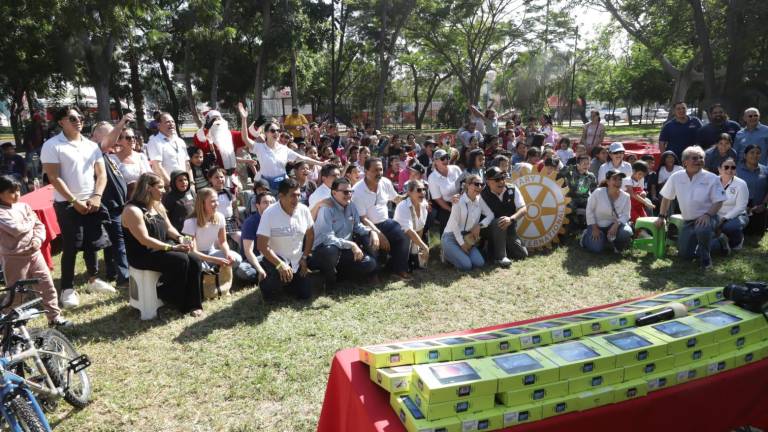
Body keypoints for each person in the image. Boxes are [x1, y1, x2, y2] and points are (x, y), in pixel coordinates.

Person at [41, 106, 114, 309]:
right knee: (71, 246)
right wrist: (74, 201)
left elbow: (101, 174)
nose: (78, 121)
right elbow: (54, 178)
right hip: (67, 204)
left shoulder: (91, 146)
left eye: (80, 117)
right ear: (61, 122)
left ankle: (93, 279)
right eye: (72, 118)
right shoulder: (52, 145)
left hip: (92, 201)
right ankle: (67, 288)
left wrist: (97, 196)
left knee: (93, 243)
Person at [122, 173, 204, 317]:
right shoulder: (132, 210)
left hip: (162, 247)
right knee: (181, 260)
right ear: (148, 188)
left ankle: (194, 304)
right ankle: (169, 295)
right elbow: (144, 240)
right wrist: (172, 248)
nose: (164, 191)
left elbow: (169, 228)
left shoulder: (157, 205)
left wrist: (181, 239)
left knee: (195, 260)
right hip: (143, 254)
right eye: (160, 187)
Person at [0, 175, 69, 327]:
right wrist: (31, 221)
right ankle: (6, 322)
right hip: (15, 258)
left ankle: (54, 318)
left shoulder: (23, 206)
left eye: (18, 190)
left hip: (34, 253)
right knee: (17, 294)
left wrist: (37, 240)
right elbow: (15, 229)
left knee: (47, 285)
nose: (17, 194)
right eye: (11, 192)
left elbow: (40, 225)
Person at [655, 146, 726, 269]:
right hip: (688, 221)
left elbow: (719, 201)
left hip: (708, 217)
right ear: (685, 162)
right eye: (695, 158)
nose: (699, 160)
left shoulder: (712, 178)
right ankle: (718, 239)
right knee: (685, 255)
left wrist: (707, 215)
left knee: (702, 229)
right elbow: (666, 198)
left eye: (701, 158)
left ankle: (706, 260)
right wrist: (661, 216)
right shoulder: (676, 177)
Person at [310, 178, 377, 287]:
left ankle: (342, 276)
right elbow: (327, 238)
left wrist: (371, 231)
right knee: (330, 250)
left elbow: (357, 226)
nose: (349, 195)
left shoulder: (351, 205)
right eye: (345, 192)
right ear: (334, 192)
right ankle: (329, 281)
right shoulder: (326, 207)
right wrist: (351, 244)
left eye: (351, 191)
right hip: (323, 251)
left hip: (345, 249)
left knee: (370, 263)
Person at [351, 158, 410, 279]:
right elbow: (363, 219)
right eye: (375, 170)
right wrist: (379, 234)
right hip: (367, 227)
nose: (379, 173)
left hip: (385, 222)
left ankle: (398, 270)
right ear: (366, 171)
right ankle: (373, 274)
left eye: (381, 169)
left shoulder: (385, 182)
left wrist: (409, 194)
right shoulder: (357, 190)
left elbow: (396, 199)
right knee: (374, 244)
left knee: (403, 234)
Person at [257, 178, 315, 301]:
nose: (297, 199)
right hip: (276, 260)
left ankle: (289, 282)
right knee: (272, 298)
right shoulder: (269, 213)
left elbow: (310, 235)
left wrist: (304, 257)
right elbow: (261, 245)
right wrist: (280, 264)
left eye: (299, 195)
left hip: (297, 260)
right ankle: (266, 283)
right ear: (281, 196)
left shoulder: (304, 210)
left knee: (305, 295)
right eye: (293, 195)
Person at [182, 188, 254, 283]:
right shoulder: (190, 222)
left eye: (217, 200)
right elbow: (192, 251)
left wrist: (227, 254)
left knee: (237, 259)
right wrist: (216, 260)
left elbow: (223, 242)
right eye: (212, 201)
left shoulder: (220, 217)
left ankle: (218, 271)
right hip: (196, 257)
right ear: (202, 203)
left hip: (211, 252)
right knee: (202, 268)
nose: (216, 204)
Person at [240, 116, 322, 192]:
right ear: (266, 133)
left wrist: (321, 163)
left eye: (278, 131)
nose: (276, 133)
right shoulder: (259, 147)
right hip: (265, 186)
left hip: (282, 186)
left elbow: (303, 158)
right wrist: (244, 119)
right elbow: (245, 138)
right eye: (272, 131)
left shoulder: (284, 149)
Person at [441, 174, 493, 271]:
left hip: (467, 238)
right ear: (468, 185)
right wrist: (461, 244)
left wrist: (479, 225)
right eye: (476, 184)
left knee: (479, 263)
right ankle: (446, 255)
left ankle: (458, 255)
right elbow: (454, 225)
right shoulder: (458, 200)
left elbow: (490, 215)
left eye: (482, 184)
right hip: (451, 236)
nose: (480, 187)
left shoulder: (479, 199)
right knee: (466, 266)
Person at [480, 167, 528, 266]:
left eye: (503, 178)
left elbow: (523, 209)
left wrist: (511, 219)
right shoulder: (481, 194)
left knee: (522, 254)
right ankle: (500, 257)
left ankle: (494, 248)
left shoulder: (512, 189)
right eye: (497, 179)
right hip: (489, 229)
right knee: (499, 221)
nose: (501, 182)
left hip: (509, 227)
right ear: (488, 182)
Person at [582, 169, 633, 253]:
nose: (618, 181)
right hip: (597, 225)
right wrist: (594, 228)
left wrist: (616, 225)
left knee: (626, 232)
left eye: (620, 179)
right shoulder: (598, 192)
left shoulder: (626, 196)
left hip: (614, 225)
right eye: (615, 179)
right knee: (597, 249)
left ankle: (616, 245)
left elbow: (626, 215)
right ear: (608, 181)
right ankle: (585, 237)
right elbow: (589, 210)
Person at [146, 112, 193, 186]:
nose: (171, 124)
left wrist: (191, 183)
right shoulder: (154, 142)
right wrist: (172, 186)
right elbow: (157, 166)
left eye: (172, 121)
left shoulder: (180, 141)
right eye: (167, 122)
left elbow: (187, 164)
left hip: (185, 186)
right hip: (169, 187)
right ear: (159, 125)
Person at [712, 158, 749, 253]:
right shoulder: (712, 181)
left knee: (728, 227)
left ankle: (737, 241)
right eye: (726, 167)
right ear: (719, 169)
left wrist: (724, 218)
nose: (730, 170)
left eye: (733, 167)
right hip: (715, 214)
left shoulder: (741, 184)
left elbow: (741, 206)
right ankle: (722, 240)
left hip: (738, 215)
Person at [393, 180, 430, 271]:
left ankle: (412, 258)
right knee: (406, 238)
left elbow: (420, 228)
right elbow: (408, 231)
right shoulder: (403, 206)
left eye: (424, 190)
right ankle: (399, 268)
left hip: (412, 238)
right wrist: (424, 247)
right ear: (409, 192)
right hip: (399, 240)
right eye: (419, 190)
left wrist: (418, 248)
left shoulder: (424, 205)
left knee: (418, 264)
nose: (423, 192)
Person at [239, 191, 272, 282]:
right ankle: (264, 272)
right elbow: (248, 251)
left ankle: (268, 272)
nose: (269, 205)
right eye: (265, 202)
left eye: (271, 202)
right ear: (257, 205)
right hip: (255, 258)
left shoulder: (276, 219)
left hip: (273, 256)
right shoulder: (250, 223)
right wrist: (259, 269)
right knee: (244, 271)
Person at [735, 144, 768, 235]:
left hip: (759, 209)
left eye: (758, 153)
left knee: (757, 232)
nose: (755, 155)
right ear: (745, 155)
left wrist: (764, 205)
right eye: (752, 152)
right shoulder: (736, 170)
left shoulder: (765, 170)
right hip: (740, 210)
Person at [428, 149, 462, 235]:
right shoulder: (432, 177)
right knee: (447, 222)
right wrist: (451, 209)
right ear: (435, 161)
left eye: (447, 157)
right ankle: (445, 244)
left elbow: (464, 184)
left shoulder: (456, 169)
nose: (446, 160)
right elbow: (438, 199)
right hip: (445, 205)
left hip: (461, 200)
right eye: (443, 158)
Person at [112, 126, 152, 198]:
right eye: (128, 138)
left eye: (134, 137)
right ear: (118, 141)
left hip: (145, 197)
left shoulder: (141, 156)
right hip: (125, 198)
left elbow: (151, 177)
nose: (132, 140)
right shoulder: (112, 159)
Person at [559, 155, 597, 226]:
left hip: (584, 198)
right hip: (571, 197)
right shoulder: (570, 171)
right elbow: (560, 173)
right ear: (578, 164)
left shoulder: (591, 176)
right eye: (584, 163)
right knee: (569, 209)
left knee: (592, 208)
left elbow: (594, 191)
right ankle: (569, 227)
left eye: (588, 163)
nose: (586, 166)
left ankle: (586, 227)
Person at [208, 167, 240, 243]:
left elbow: (235, 206)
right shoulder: (208, 194)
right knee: (218, 243)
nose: (220, 179)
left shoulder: (229, 191)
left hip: (230, 221)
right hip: (215, 224)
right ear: (210, 179)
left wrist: (237, 218)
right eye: (216, 177)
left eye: (222, 177)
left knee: (241, 238)